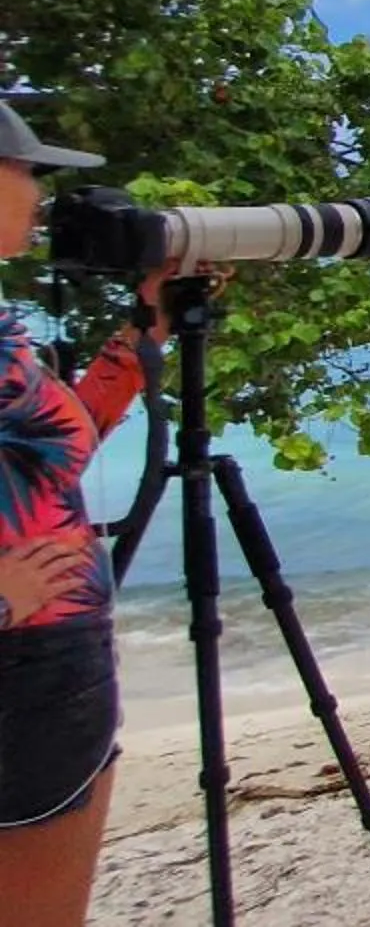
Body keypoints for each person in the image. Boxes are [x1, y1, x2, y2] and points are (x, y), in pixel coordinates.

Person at [0, 100, 176, 926]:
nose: (41, 193)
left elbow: (53, 453)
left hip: (47, 670)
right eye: (26, 170)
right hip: (20, 672)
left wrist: (145, 332)